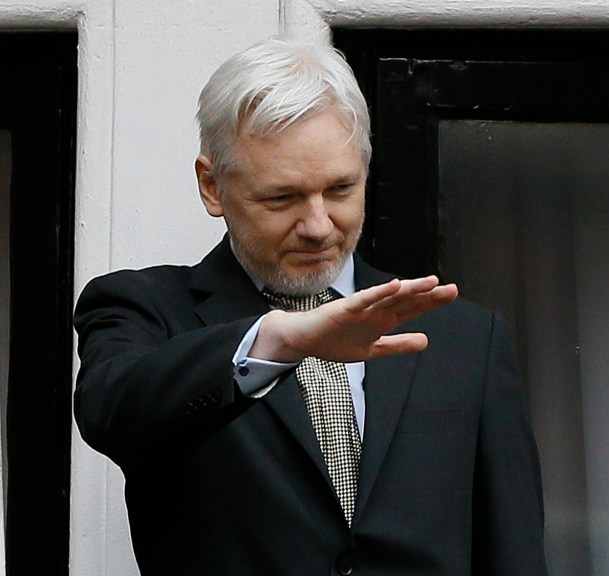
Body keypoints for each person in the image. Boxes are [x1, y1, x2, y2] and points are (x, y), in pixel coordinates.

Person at [74, 35, 548, 576]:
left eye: (341, 189)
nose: (319, 226)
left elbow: (513, 550)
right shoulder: (145, 309)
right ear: (212, 186)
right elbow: (111, 411)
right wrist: (277, 340)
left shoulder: (466, 337)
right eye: (283, 197)